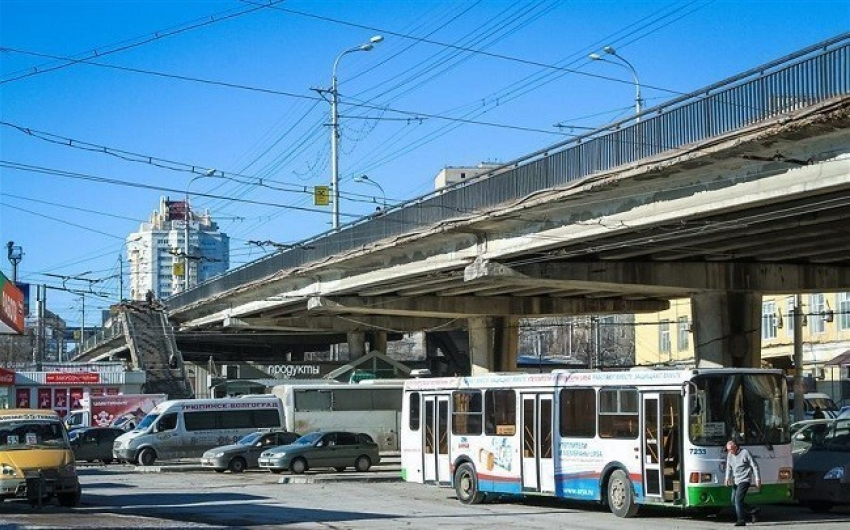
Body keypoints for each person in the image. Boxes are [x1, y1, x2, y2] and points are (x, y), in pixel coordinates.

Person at [725, 439, 761, 526]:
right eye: (728, 450)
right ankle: (753, 510)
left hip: (745, 480)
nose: (729, 451)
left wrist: (757, 479)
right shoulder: (730, 455)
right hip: (736, 480)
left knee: (738, 500)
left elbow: (754, 465)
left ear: (736, 447)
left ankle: (741, 520)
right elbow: (728, 467)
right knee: (733, 500)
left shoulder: (745, 453)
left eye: (730, 449)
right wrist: (727, 478)